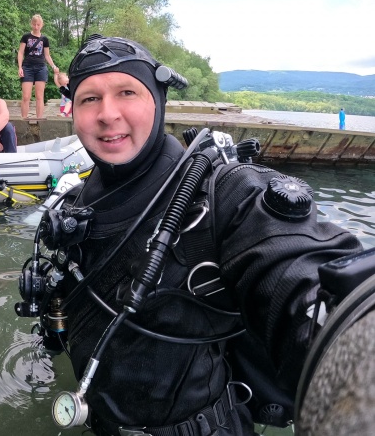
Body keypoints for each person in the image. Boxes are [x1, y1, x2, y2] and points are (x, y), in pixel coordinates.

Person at [28, 35, 364, 435]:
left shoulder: (221, 193)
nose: (108, 114)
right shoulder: (74, 203)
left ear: (159, 99)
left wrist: (355, 354)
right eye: (90, 99)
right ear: (73, 110)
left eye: (127, 92)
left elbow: (303, 275)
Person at [17, 14, 59, 119]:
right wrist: (20, 67)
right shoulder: (26, 37)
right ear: (31, 24)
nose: (36, 27)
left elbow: (47, 55)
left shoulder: (44, 39)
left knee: (40, 97)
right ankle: (24, 120)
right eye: (34, 24)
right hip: (27, 67)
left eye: (38, 25)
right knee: (26, 96)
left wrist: (53, 66)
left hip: (41, 68)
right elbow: (20, 52)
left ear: (42, 25)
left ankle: (39, 120)